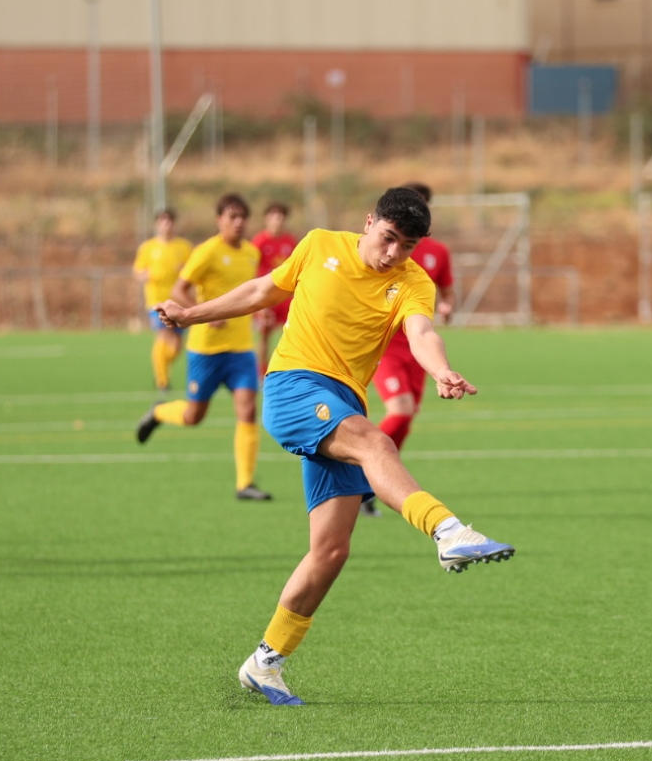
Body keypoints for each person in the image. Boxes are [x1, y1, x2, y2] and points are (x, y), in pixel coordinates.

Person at [156, 187, 514, 706]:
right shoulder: (319, 244)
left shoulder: (414, 281)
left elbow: (421, 333)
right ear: (369, 222)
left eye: (407, 246)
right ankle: (448, 530)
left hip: (344, 402)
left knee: (330, 551)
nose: (393, 253)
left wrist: (441, 370)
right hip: (293, 387)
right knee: (376, 444)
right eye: (388, 238)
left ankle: (265, 663)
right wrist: (190, 315)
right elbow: (261, 291)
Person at [137, 194, 270, 501]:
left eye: (243, 217)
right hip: (206, 350)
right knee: (193, 416)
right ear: (219, 220)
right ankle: (159, 412)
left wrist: (260, 312)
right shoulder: (206, 252)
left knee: (248, 409)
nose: (238, 222)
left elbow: (252, 294)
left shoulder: (251, 253)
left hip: (240, 348)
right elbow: (178, 290)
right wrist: (203, 313)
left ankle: (245, 484)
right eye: (232, 217)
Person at [363, 183, 456, 516]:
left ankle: (379, 479)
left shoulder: (436, 253)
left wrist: (446, 306)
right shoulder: (381, 245)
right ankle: (364, 467)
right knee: (400, 410)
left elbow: (447, 290)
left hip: (418, 349)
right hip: (388, 343)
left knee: (407, 417)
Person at [132, 209, 192, 393]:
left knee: (176, 346)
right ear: (157, 225)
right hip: (156, 301)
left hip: (178, 301)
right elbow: (138, 272)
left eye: (169, 221)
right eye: (162, 221)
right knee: (163, 336)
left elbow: (192, 272)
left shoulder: (184, 247)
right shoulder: (148, 247)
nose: (166, 225)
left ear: (174, 224)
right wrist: (146, 275)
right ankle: (162, 381)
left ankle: (161, 367)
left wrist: (184, 271)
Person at [252, 202, 297, 375]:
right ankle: (262, 372)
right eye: (273, 217)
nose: (277, 221)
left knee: (293, 333)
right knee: (264, 335)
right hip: (267, 296)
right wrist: (258, 301)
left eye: (280, 217)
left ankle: (289, 369)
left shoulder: (290, 241)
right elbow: (252, 269)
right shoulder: (260, 242)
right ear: (267, 219)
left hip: (285, 297)